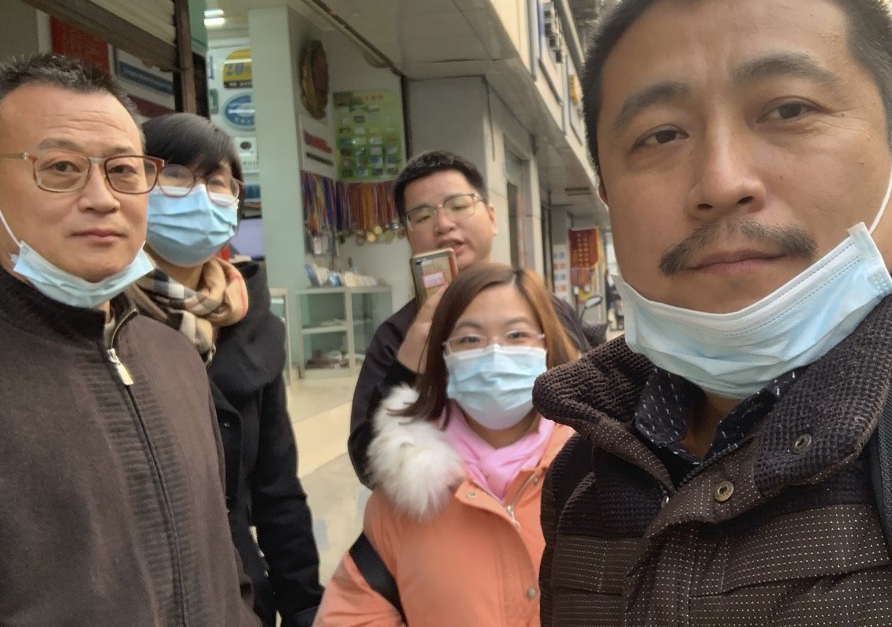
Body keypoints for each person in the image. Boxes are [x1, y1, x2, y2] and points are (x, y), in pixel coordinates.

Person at [533, 0, 892, 625]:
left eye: (789, 109)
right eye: (661, 133)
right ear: (608, 197)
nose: (722, 182)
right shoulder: (582, 479)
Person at [0, 53, 259, 625]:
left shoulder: (173, 355)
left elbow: (223, 557)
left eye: (123, 170)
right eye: (61, 167)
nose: (103, 198)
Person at [127, 112, 324, 627]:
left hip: (240, 599)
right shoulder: (101, 316)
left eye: (217, 181)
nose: (199, 194)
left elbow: (277, 492)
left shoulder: (252, 323)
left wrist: (304, 607)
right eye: (174, 174)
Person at [316, 264, 576, 626]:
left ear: (547, 345)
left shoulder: (597, 471)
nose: (494, 355)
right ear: (443, 357)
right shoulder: (405, 492)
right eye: (469, 339)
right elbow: (353, 612)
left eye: (517, 335)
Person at [348, 150, 590, 486]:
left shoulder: (547, 311)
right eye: (421, 215)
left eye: (459, 205)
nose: (443, 224)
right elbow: (368, 465)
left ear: (492, 217)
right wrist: (404, 369)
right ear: (407, 235)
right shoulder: (398, 334)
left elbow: (592, 418)